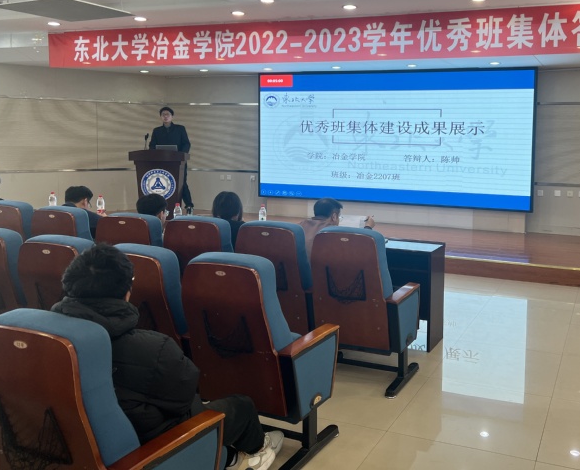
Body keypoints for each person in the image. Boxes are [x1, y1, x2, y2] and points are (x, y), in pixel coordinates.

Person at [52, 243, 283, 470]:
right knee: (241, 406)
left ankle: (229, 456)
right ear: (126, 292)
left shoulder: (51, 341)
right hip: (155, 447)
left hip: (89, 447)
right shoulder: (153, 348)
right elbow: (185, 396)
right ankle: (257, 453)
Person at [149, 106, 193, 214]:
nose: (165, 116)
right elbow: (152, 145)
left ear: (172, 116)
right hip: (162, 162)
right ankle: (162, 206)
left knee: (181, 183)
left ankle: (189, 205)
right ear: (160, 117)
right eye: (163, 114)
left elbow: (186, 144)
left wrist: (180, 155)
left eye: (167, 114)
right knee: (165, 184)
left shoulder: (180, 129)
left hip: (179, 162)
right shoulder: (157, 131)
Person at [298, 198, 375, 256]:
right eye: (339, 217)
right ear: (334, 216)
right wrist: (368, 227)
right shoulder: (334, 233)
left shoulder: (299, 226)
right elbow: (362, 247)